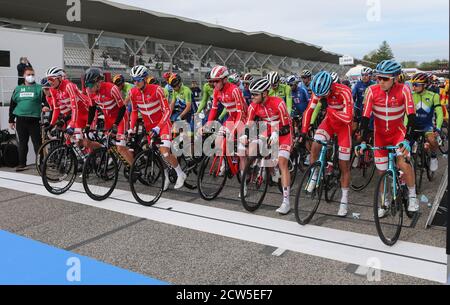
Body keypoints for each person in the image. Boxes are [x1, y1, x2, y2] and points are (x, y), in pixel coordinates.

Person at [355, 59, 418, 217]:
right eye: (378, 78)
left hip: (398, 134)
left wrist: (408, 140)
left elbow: (411, 116)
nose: (380, 81)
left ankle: (412, 197)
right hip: (380, 136)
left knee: (403, 163)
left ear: (395, 78)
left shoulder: (404, 89)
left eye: (385, 79)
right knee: (381, 172)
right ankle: (385, 200)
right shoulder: (371, 90)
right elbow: (365, 117)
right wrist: (362, 141)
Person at [300, 71, 354, 217]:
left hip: (344, 126)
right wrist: (304, 131)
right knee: (315, 145)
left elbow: (349, 117)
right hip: (329, 123)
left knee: (344, 166)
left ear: (330, 86)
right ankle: (315, 173)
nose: (322, 97)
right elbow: (308, 111)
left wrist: (331, 111)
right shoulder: (319, 90)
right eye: (320, 95)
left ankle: (344, 200)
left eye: (324, 95)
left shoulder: (345, 91)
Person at [128, 65, 187, 190]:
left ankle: (180, 174)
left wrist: (159, 127)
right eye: (134, 80)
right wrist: (131, 128)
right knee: (157, 154)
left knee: (165, 152)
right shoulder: (133, 92)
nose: (136, 83)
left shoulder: (157, 90)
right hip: (149, 127)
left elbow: (166, 111)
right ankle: (165, 176)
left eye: (138, 80)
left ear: (145, 78)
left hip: (163, 124)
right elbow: (134, 111)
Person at [240, 78, 293, 214]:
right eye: (251, 94)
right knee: (252, 147)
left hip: (284, 132)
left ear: (265, 93)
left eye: (255, 94)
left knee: (282, 163)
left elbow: (286, 126)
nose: (252, 97)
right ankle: (266, 168)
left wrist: (277, 133)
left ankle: (286, 202)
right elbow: (249, 123)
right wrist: (246, 134)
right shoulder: (253, 105)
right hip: (268, 130)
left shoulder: (278, 103)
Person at [84, 68, 134, 165]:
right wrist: (88, 124)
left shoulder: (112, 89)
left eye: (90, 84)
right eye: (86, 85)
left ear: (98, 82)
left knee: (120, 147)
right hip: (108, 119)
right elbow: (92, 108)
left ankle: (134, 168)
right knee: (107, 143)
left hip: (120, 119)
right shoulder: (90, 91)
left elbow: (122, 108)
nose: (88, 88)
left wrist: (115, 124)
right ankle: (118, 159)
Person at [8, 67, 45, 171]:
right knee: (22, 143)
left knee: (37, 143)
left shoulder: (39, 88)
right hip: (20, 120)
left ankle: (40, 163)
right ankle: (22, 164)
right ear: (24, 76)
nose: (31, 76)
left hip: (34, 120)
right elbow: (12, 105)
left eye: (32, 74)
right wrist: (11, 120)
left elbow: (45, 101)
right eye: (28, 74)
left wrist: (45, 106)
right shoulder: (18, 89)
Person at [408, 72, 443, 172]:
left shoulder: (434, 96)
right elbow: (406, 113)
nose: (413, 87)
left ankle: (433, 156)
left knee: (432, 140)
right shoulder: (411, 96)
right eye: (412, 85)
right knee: (405, 145)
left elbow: (439, 114)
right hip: (414, 125)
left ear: (425, 85)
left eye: (416, 85)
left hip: (427, 125)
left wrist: (439, 128)